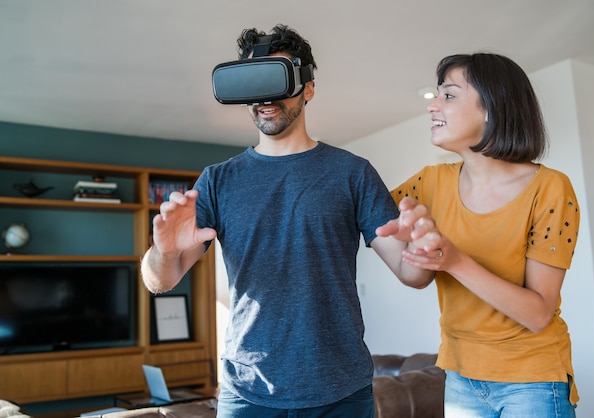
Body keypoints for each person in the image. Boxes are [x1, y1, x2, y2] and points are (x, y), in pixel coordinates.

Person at [141, 24, 429, 418]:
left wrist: (422, 249)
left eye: (275, 79)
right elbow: (161, 281)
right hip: (247, 394)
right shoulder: (217, 181)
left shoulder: (352, 173)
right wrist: (163, 250)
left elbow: (412, 273)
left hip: (342, 391)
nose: (264, 98)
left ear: (307, 88)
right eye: (253, 82)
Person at [377, 53, 580, 417]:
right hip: (459, 376)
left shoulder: (550, 188)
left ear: (492, 109)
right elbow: (370, 217)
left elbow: (537, 313)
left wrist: (452, 261)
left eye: (449, 95)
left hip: (531, 379)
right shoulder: (430, 182)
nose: (432, 106)